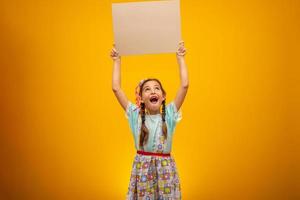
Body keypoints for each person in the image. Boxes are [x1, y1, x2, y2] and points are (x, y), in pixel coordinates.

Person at [110, 41, 189, 199]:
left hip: (166, 170)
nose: (153, 91)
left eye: (156, 88)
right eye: (147, 89)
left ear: (163, 96)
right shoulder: (135, 115)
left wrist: (180, 58)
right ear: (141, 99)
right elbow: (116, 88)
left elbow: (185, 85)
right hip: (143, 170)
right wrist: (117, 60)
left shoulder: (170, 114)